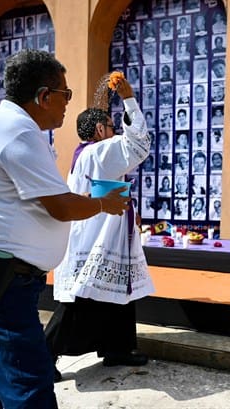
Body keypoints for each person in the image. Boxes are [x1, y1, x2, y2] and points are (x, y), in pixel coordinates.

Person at [0, 50, 131, 408]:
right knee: (30, 386)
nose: (68, 104)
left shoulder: (13, 126)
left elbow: (48, 200)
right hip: (0, 278)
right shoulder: (16, 130)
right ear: (44, 96)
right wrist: (102, 203)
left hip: (4, 277)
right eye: (66, 94)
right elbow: (60, 206)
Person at [46, 75, 155, 380]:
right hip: (98, 238)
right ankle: (44, 356)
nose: (115, 131)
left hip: (102, 234)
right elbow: (138, 144)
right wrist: (129, 97)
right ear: (99, 130)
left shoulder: (87, 154)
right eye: (111, 126)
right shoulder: (98, 151)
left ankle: (117, 348)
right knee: (80, 299)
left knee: (118, 291)